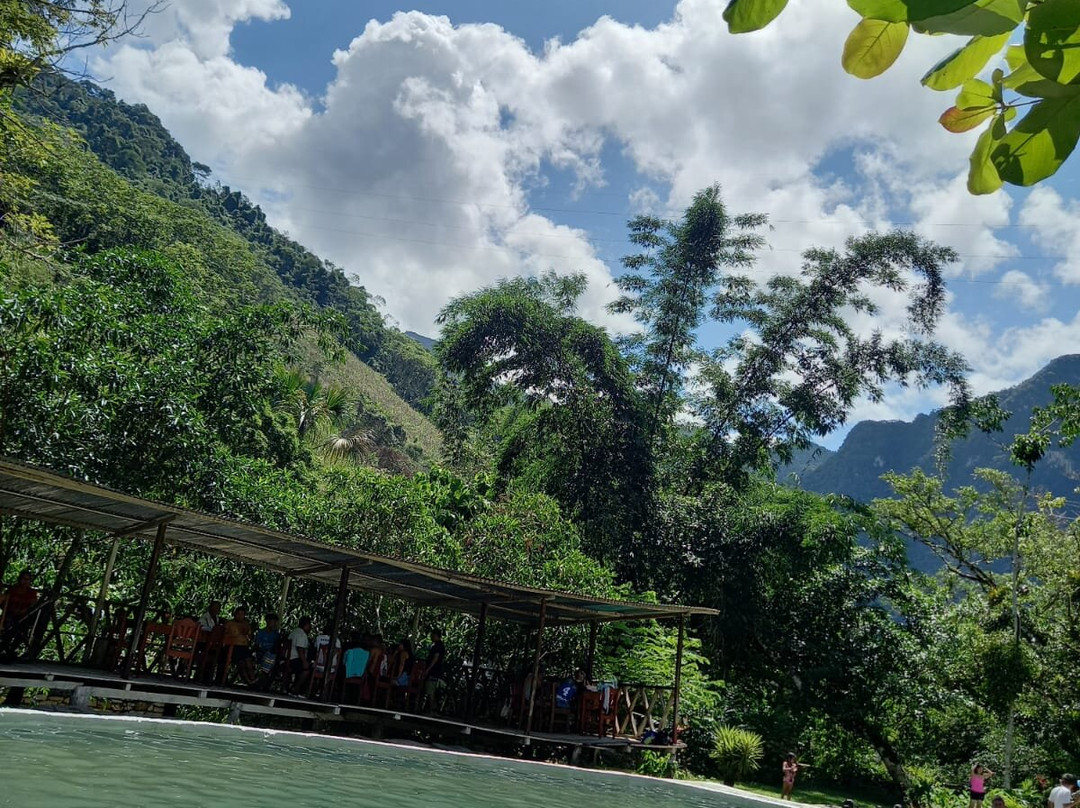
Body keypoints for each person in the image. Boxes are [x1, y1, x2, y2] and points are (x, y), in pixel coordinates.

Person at [223, 606, 256, 685]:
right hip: (232, 647)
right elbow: (224, 635)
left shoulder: (246, 624)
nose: (240, 616)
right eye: (238, 614)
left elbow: (250, 637)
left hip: (243, 647)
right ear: (234, 614)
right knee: (241, 663)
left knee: (248, 662)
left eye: (242, 614)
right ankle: (248, 681)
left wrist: (248, 633)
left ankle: (253, 679)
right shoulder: (229, 623)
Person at [421, 627, 446, 712]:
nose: (431, 637)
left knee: (430, 691)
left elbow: (435, 658)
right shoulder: (438, 646)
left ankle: (431, 710)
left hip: (433, 671)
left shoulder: (438, 646)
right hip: (434, 671)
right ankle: (430, 709)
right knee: (430, 690)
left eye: (432, 635)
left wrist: (428, 669)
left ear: (435, 635)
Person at [253, 614, 281, 687]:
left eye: (275, 622)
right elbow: (256, 645)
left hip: (272, 657)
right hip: (261, 654)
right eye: (273, 621)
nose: (274, 624)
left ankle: (264, 683)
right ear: (268, 621)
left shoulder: (276, 635)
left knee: (272, 659)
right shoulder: (261, 632)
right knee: (268, 659)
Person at [288, 616, 313, 697]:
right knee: (307, 669)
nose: (310, 628)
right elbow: (300, 649)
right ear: (306, 625)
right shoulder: (301, 634)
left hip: (289, 658)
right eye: (310, 625)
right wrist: (304, 661)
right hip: (294, 659)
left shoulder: (294, 632)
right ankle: (296, 688)